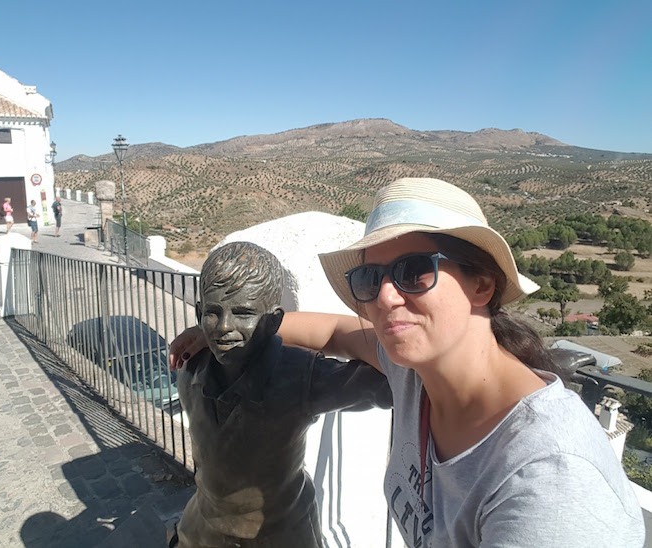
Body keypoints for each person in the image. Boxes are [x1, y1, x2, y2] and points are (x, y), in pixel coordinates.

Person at [171, 178, 644, 547]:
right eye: (370, 277)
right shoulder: (412, 372)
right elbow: (335, 331)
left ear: (482, 285)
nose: (386, 296)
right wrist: (227, 329)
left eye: (415, 271)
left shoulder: (552, 483)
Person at [174, 241, 391, 548]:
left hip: (281, 536)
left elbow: (395, 373)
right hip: (202, 531)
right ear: (198, 313)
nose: (223, 327)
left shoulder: (300, 377)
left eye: (243, 313)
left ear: (273, 321)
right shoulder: (190, 366)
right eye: (212, 313)